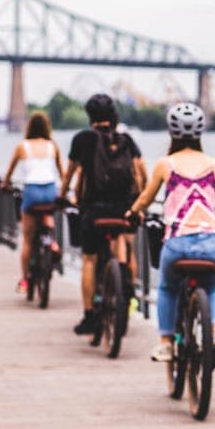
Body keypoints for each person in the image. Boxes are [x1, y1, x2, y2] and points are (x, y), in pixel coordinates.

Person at [125, 102, 215, 367]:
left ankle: (166, 343)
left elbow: (145, 200)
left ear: (171, 132)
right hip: (212, 243)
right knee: (211, 288)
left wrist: (133, 213)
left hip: (177, 243)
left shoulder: (165, 164)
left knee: (167, 289)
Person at [59, 93, 147, 335]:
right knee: (125, 246)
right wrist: (139, 204)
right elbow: (141, 173)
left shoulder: (82, 139)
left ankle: (89, 316)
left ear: (90, 117)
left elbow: (69, 175)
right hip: (123, 209)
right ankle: (126, 290)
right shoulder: (126, 140)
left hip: (94, 210)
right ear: (113, 116)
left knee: (89, 259)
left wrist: (63, 196)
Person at [0, 111, 65, 293]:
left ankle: (24, 281)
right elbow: (63, 173)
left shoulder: (22, 146)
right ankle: (53, 244)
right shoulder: (52, 146)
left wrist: (5, 184)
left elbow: (9, 171)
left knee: (28, 239)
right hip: (50, 189)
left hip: (32, 191)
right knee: (47, 215)